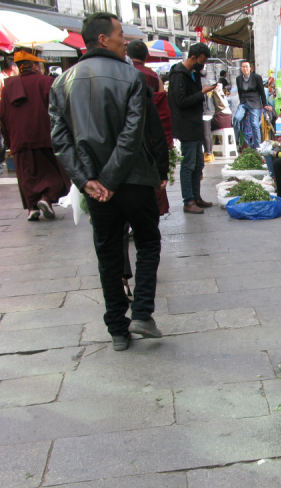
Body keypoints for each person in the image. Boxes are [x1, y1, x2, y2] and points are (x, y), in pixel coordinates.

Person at [50, 12, 169, 351]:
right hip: (132, 178)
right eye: (119, 34)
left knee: (108, 253)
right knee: (147, 243)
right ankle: (142, 312)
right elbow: (136, 133)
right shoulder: (131, 78)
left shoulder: (62, 82)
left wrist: (88, 180)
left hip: (96, 186)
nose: (124, 40)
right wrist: (115, 178)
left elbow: (60, 140)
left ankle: (117, 328)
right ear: (102, 38)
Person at [0, 51, 70, 221]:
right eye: (39, 64)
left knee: (27, 175)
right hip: (46, 137)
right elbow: (60, 110)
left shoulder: (9, 86)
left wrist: (9, 139)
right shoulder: (47, 82)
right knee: (53, 173)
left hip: (19, 139)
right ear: (33, 66)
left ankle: (32, 208)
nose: (41, 67)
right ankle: (46, 199)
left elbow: (2, 115)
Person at [168, 42, 216, 214]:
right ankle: (188, 200)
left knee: (198, 163)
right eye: (201, 61)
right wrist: (202, 93)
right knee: (188, 164)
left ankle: (196, 196)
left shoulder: (192, 73)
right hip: (185, 125)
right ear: (193, 57)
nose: (202, 65)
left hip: (195, 124)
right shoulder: (179, 75)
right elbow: (181, 101)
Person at [127, 39, 172, 215]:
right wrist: (167, 139)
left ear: (127, 55)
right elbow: (163, 112)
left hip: (124, 136)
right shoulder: (153, 77)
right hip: (150, 136)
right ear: (146, 56)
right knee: (151, 177)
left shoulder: (123, 73)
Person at [234, 60, 268, 150]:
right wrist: (241, 102)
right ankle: (237, 141)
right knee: (236, 118)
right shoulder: (238, 79)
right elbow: (240, 92)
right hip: (244, 102)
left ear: (250, 68)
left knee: (254, 124)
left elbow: (261, 91)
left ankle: (257, 147)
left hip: (255, 102)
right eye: (243, 67)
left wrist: (264, 104)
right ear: (241, 69)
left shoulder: (256, 77)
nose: (245, 69)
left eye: (246, 67)